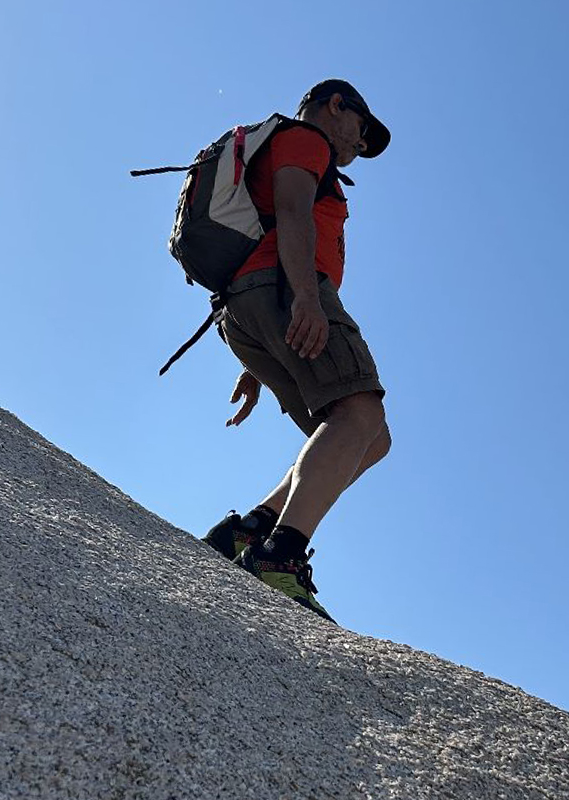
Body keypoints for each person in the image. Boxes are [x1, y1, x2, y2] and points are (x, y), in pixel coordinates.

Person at [202, 79, 392, 623]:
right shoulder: (306, 140)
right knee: (360, 413)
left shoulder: (290, 144)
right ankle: (278, 559)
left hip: (249, 304)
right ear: (336, 106)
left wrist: (255, 367)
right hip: (287, 289)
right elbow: (290, 211)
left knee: (370, 440)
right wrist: (306, 297)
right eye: (361, 127)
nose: (358, 144)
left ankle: (251, 528)